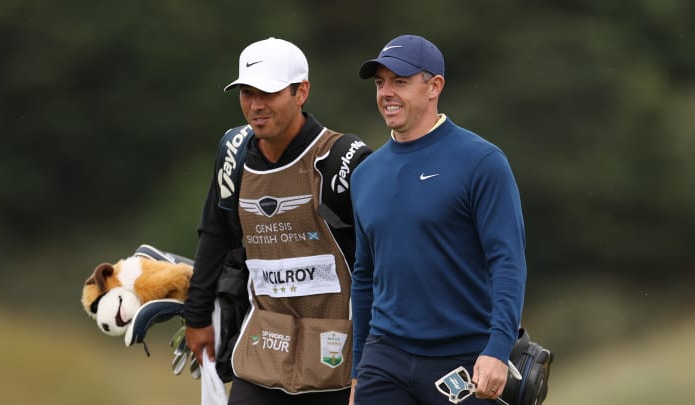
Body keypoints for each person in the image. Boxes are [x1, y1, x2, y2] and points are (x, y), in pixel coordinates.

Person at [183, 37, 371, 405]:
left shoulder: (341, 160)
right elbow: (215, 234)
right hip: (263, 351)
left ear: (301, 92)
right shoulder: (234, 153)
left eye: (268, 93)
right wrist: (197, 316)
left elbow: (379, 261)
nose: (255, 105)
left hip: (337, 359)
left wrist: (374, 359)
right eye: (247, 93)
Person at [349, 35, 527, 404]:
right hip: (385, 358)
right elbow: (365, 276)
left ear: (434, 87)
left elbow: (507, 260)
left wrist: (498, 348)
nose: (386, 93)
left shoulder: (482, 162)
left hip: (463, 360)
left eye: (400, 81)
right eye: (381, 83)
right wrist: (357, 372)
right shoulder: (365, 174)